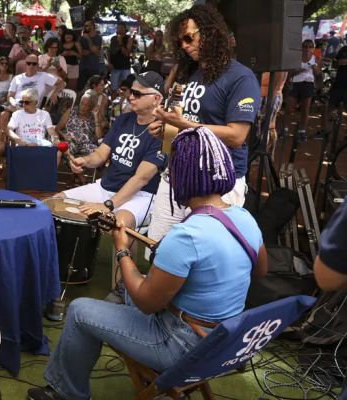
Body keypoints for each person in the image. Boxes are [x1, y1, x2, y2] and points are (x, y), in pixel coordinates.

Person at [28, 126, 268, 400]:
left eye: (172, 170)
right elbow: (260, 271)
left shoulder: (187, 235)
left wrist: (122, 250)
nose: (170, 176)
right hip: (224, 340)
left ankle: (64, 392)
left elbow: (146, 303)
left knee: (81, 310)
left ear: (184, 175)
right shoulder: (243, 217)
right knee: (125, 292)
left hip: (183, 344)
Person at [146, 4, 261, 246]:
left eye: (189, 37)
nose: (185, 46)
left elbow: (237, 135)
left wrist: (184, 124)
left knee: (203, 258)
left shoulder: (241, 77)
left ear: (210, 33)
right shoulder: (190, 74)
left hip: (217, 183)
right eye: (180, 42)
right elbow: (187, 123)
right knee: (159, 249)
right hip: (177, 176)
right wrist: (165, 130)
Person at [58, 72, 165, 230]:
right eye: (130, 91)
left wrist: (108, 205)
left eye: (137, 93)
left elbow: (141, 178)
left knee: (120, 225)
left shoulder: (162, 132)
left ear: (156, 99)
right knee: (56, 202)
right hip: (105, 188)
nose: (131, 97)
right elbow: (101, 155)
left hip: (140, 195)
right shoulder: (123, 120)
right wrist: (85, 161)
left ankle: (123, 254)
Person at [56, 75, 105, 160]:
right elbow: (57, 128)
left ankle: (78, 170)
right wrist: (64, 135)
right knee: (63, 150)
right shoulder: (71, 111)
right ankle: (76, 168)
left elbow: (99, 137)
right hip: (71, 142)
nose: (82, 107)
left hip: (87, 144)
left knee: (99, 154)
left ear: (92, 106)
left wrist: (96, 117)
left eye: (86, 105)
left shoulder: (95, 115)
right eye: (81, 103)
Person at [283, 39, 321, 140]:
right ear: (301, 48)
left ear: (313, 48)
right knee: (289, 108)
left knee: (305, 109)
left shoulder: (315, 59)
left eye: (310, 46)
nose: (307, 49)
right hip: (295, 83)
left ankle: (302, 131)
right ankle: (285, 129)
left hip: (308, 84)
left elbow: (318, 74)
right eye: (305, 46)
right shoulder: (296, 58)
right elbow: (289, 72)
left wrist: (315, 67)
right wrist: (298, 71)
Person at [108, 22, 134, 91]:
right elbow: (110, 52)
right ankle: (113, 101)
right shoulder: (113, 38)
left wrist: (120, 43)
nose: (120, 30)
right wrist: (109, 62)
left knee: (125, 89)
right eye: (118, 28)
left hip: (125, 67)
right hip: (115, 67)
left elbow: (126, 54)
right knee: (114, 89)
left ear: (125, 29)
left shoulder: (129, 39)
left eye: (122, 28)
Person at [79, 20, 104, 91]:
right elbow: (81, 52)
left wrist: (88, 39)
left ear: (93, 26)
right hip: (83, 67)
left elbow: (95, 51)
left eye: (87, 25)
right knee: (82, 89)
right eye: (85, 26)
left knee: (94, 89)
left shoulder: (98, 38)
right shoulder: (82, 38)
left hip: (94, 67)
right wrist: (93, 51)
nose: (85, 27)